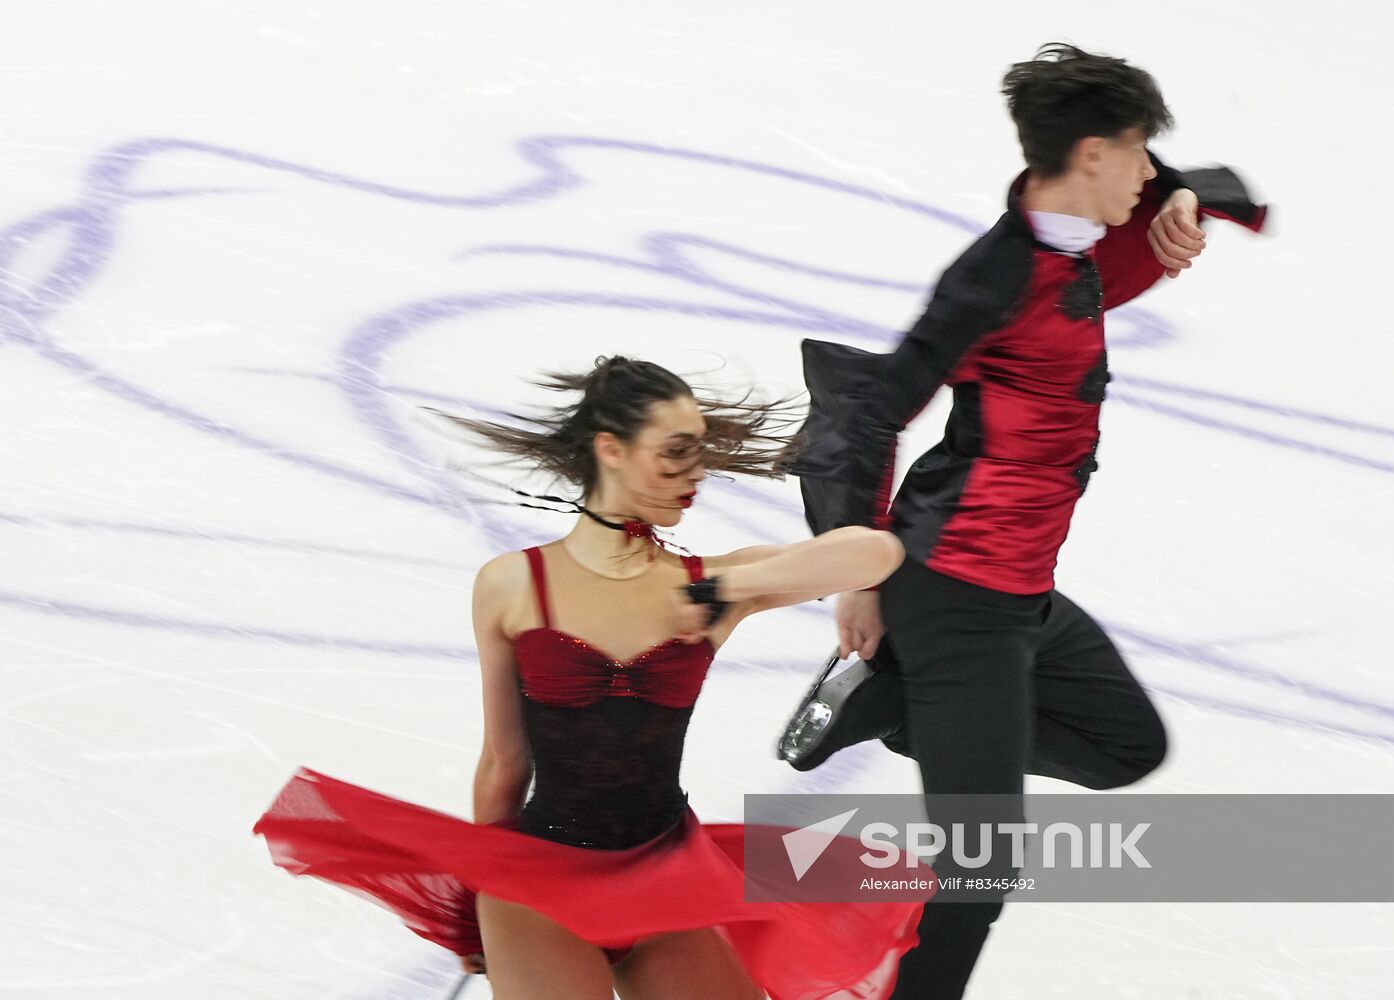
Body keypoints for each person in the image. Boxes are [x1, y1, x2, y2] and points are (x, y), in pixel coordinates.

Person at [786, 43, 1267, 999]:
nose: (1149, 171)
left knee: (1130, 747)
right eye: (1138, 154)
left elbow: (1217, 190)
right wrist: (861, 575)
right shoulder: (994, 279)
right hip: (952, 587)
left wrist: (1182, 199)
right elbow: (867, 414)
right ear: (1091, 153)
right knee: (980, 868)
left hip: (1020, 592)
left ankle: (895, 704)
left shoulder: (1078, 244)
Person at [253, 356, 925, 1000]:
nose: (696, 471)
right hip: (540, 886)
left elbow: (875, 554)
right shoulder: (515, 586)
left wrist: (730, 585)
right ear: (611, 449)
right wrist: (480, 899)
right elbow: (504, 762)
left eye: (700, 450)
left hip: (666, 875)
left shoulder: (710, 584)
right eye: (676, 450)